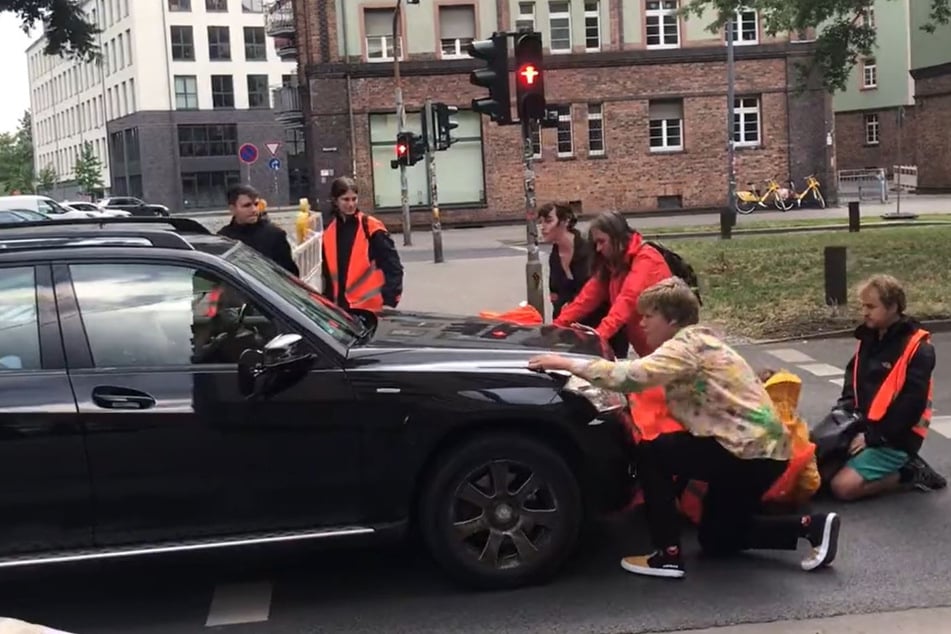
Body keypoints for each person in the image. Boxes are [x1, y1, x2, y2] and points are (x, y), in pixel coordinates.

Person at [528, 277, 841, 579]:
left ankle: (667, 554)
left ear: (673, 320)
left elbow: (629, 376)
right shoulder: (705, 342)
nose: (642, 324)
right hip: (767, 451)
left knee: (653, 453)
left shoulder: (684, 347)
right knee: (718, 537)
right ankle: (811, 527)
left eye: (649, 316)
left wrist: (566, 362)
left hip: (743, 449)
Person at [828, 274, 945, 501]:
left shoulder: (917, 348)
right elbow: (852, 384)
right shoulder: (869, 338)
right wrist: (844, 419)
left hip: (897, 438)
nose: (864, 312)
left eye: (871, 306)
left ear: (893, 307)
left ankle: (910, 473)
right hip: (865, 426)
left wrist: (873, 437)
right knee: (819, 468)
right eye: (863, 305)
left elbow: (911, 406)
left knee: (842, 487)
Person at [552, 211, 671, 357]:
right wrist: (555, 328)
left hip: (666, 346)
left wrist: (600, 335)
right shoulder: (613, 265)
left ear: (618, 238)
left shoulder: (646, 259)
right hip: (649, 346)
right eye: (596, 243)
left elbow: (627, 300)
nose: (598, 249)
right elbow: (585, 299)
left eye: (602, 241)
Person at [538, 202, 628, 358]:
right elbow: (557, 295)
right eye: (541, 222)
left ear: (565, 221)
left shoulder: (590, 249)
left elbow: (601, 292)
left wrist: (600, 334)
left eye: (548, 221)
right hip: (575, 332)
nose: (542, 227)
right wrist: (556, 328)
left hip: (605, 328)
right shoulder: (554, 255)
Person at [321, 177, 403, 313]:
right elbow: (329, 277)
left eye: (354, 199)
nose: (351, 204)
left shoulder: (371, 227)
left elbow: (393, 267)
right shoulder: (329, 233)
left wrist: (389, 301)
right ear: (335, 201)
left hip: (371, 308)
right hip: (342, 309)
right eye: (346, 199)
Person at [218, 184, 299, 275]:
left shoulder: (274, 235)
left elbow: (290, 274)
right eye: (247, 205)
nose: (254, 210)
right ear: (232, 209)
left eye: (256, 204)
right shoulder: (224, 238)